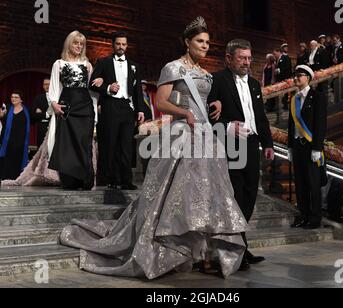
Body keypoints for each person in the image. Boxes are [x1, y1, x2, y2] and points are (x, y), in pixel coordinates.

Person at [60, 17, 248, 280]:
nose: (205, 46)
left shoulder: (206, 74)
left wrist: (214, 104)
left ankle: (203, 253)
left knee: (205, 195)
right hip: (182, 135)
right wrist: (184, 112)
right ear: (187, 42)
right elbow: (161, 102)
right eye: (199, 41)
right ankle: (169, 249)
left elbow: (203, 101)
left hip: (205, 137)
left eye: (207, 42)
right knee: (173, 196)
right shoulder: (172, 68)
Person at [208, 39, 275, 271]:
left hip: (253, 144)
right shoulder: (217, 80)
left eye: (249, 58)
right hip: (231, 145)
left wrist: (268, 143)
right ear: (229, 58)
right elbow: (209, 115)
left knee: (249, 195)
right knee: (235, 196)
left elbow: (260, 116)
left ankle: (241, 246)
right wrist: (228, 127)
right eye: (242, 58)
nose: (247, 62)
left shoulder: (255, 84)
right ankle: (235, 249)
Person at [89, 31, 146, 191]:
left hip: (127, 108)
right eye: (118, 44)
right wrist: (107, 87)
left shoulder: (134, 65)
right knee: (111, 144)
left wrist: (140, 109)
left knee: (127, 146)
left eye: (124, 44)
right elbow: (91, 84)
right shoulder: (104, 62)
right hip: (110, 106)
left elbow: (137, 90)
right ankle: (112, 180)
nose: (121, 47)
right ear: (113, 45)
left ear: (127, 46)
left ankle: (126, 180)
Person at [47, 30, 97, 190]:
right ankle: (69, 181)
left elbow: (92, 92)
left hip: (85, 108)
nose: (79, 46)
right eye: (76, 43)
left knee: (84, 144)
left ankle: (85, 180)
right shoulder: (59, 64)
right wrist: (53, 104)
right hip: (67, 108)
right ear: (69, 43)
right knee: (66, 145)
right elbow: (54, 87)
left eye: (82, 44)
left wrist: (94, 113)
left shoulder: (87, 65)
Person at [288, 65, 327, 230]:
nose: (297, 78)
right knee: (300, 183)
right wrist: (290, 147)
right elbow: (291, 126)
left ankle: (315, 218)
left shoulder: (317, 97)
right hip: (297, 146)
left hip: (311, 147)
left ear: (308, 78)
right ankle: (303, 215)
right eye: (295, 75)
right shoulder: (294, 98)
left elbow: (320, 123)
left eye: (300, 75)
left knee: (313, 183)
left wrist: (317, 148)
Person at [0, 91, 31, 181]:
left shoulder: (26, 110)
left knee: (18, 156)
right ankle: (7, 177)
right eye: (12, 97)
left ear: (21, 99)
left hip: (21, 139)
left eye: (16, 97)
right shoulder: (8, 108)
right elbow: (3, 121)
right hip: (8, 138)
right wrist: (1, 115)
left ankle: (17, 177)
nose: (13, 99)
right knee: (8, 157)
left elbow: (31, 120)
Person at [31, 78, 51, 148]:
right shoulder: (38, 98)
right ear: (43, 86)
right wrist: (47, 114)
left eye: (49, 84)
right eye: (45, 84)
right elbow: (33, 115)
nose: (47, 86)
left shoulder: (58, 97)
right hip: (43, 130)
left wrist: (41, 113)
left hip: (56, 128)